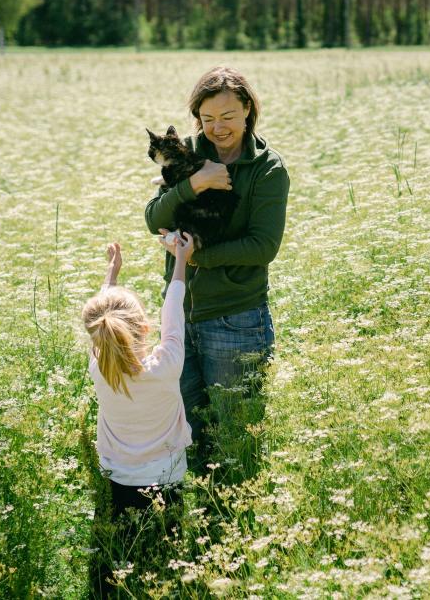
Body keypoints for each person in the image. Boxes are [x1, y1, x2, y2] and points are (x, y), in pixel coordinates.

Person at [144, 66, 289, 470]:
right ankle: (204, 528)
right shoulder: (187, 154)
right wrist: (196, 184)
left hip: (236, 322)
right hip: (178, 320)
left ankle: (239, 529)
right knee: (191, 441)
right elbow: (154, 218)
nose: (217, 127)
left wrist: (193, 257)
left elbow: (263, 246)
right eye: (207, 119)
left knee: (235, 445)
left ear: (247, 109)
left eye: (227, 116)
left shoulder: (267, 168)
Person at [82, 236, 193, 544]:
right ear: (145, 329)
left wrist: (111, 275)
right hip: (168, 477)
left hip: (117, 478)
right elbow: (173, 316)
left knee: (124, 545)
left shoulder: (100, 368)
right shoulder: (166, 365)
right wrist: (181, 261)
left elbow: (102, 320)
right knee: (169, 545)